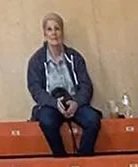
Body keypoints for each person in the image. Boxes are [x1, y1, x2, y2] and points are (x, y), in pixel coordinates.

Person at [27, 13, 103, 158]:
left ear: (62, 32)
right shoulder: (36, 60)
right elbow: (35, 89)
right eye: (49, 29)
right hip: (51, 104)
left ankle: (83, 158)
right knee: (47, 121)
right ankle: (61, 158)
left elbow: (86, 85)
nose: (54, 33)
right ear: (44, 33)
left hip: (74, 102)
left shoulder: (75, 57)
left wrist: (76, 102)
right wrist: (54, 104)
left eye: (57, 29)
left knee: (93, 120)